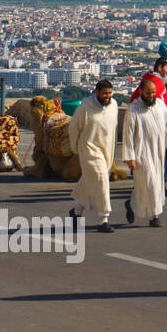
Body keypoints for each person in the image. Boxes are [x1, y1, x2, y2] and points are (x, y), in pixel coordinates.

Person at [121, 77, 167, 227]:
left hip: (158, 153)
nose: (151, 96)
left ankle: (132, 205)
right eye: (148, 93)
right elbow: (128, 135)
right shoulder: (133, 109)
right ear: (141, 92)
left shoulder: (160, 105)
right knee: (150, 183)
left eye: (153, 93)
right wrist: (129, 157)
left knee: (154, 184)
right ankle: (154, 216)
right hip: (141, 154)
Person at [67, 80, 119, 233]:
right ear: (97, 92)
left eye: (110, 93)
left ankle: (76, 211)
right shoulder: (85, 107)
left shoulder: (114, 105)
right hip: (89, 150)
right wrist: (75, 147)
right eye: (104, 93)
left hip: (106, 151)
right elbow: (73, 128)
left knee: (91, 181)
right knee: (101, 178)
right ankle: (103, 219)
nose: (107, 96)